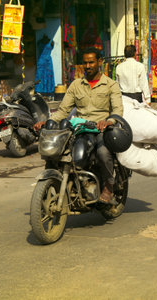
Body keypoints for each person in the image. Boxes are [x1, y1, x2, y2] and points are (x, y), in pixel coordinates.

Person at [34, 48, 123, 204]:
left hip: (101, 130)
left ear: (99, 62)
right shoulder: (76, 85)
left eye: (91, 62)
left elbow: (117, 110)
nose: (88, 66)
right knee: (60, 153)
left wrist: (109, 121)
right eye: (85, 63)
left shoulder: (110, 85)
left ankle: (109, 184)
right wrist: (49, 121)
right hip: (81, 129)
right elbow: (63, 110)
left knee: (102, 152)